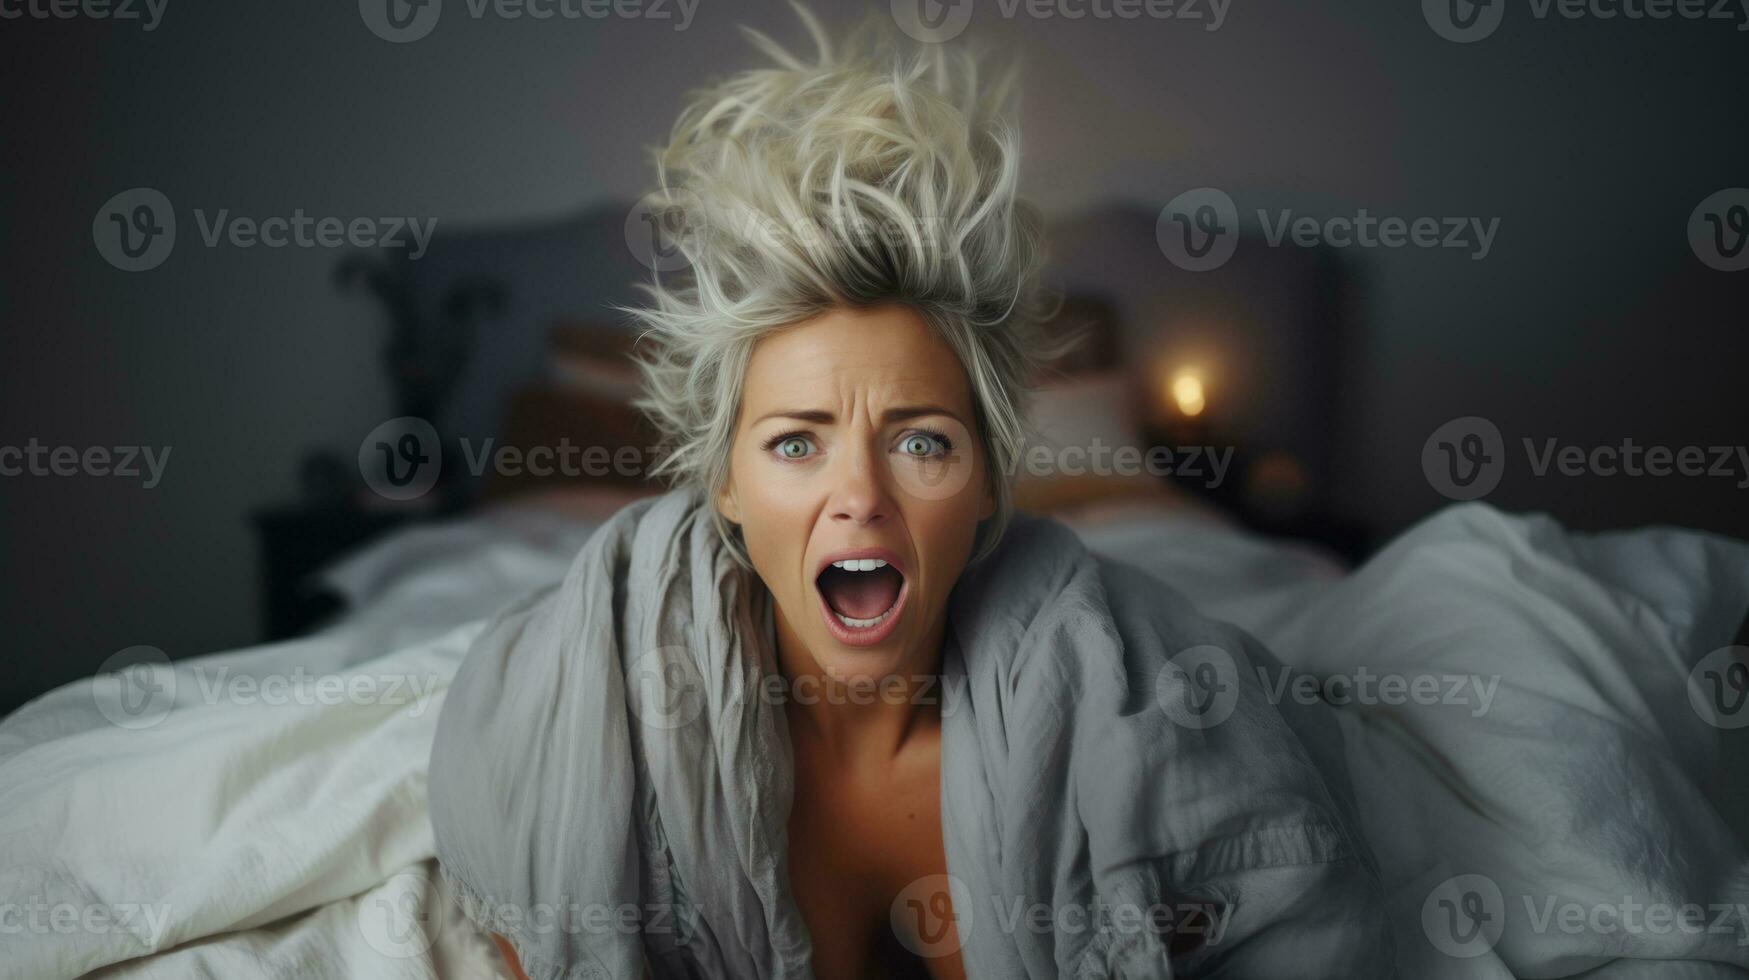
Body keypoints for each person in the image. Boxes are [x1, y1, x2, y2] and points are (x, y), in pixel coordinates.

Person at [431, 8, 1390, 978]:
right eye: (797, 441)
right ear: (723, 481)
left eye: (922, 439)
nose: (860, 494)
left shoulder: (1144, 700)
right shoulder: (575, 704)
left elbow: (1305, 914)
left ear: (986, 481)